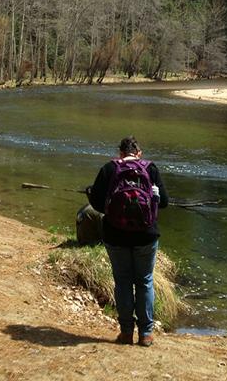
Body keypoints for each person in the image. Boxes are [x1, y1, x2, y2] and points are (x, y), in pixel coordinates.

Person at [87, 137, 168, 347]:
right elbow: (165, 202)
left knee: (123, 281)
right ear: (139, 152)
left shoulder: (109, 168)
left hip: (115, 235)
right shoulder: (150, 169)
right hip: (146, 235)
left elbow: (96, 203)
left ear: (120, 153)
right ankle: (146, 334)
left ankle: (125, 333)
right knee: (145, 281)